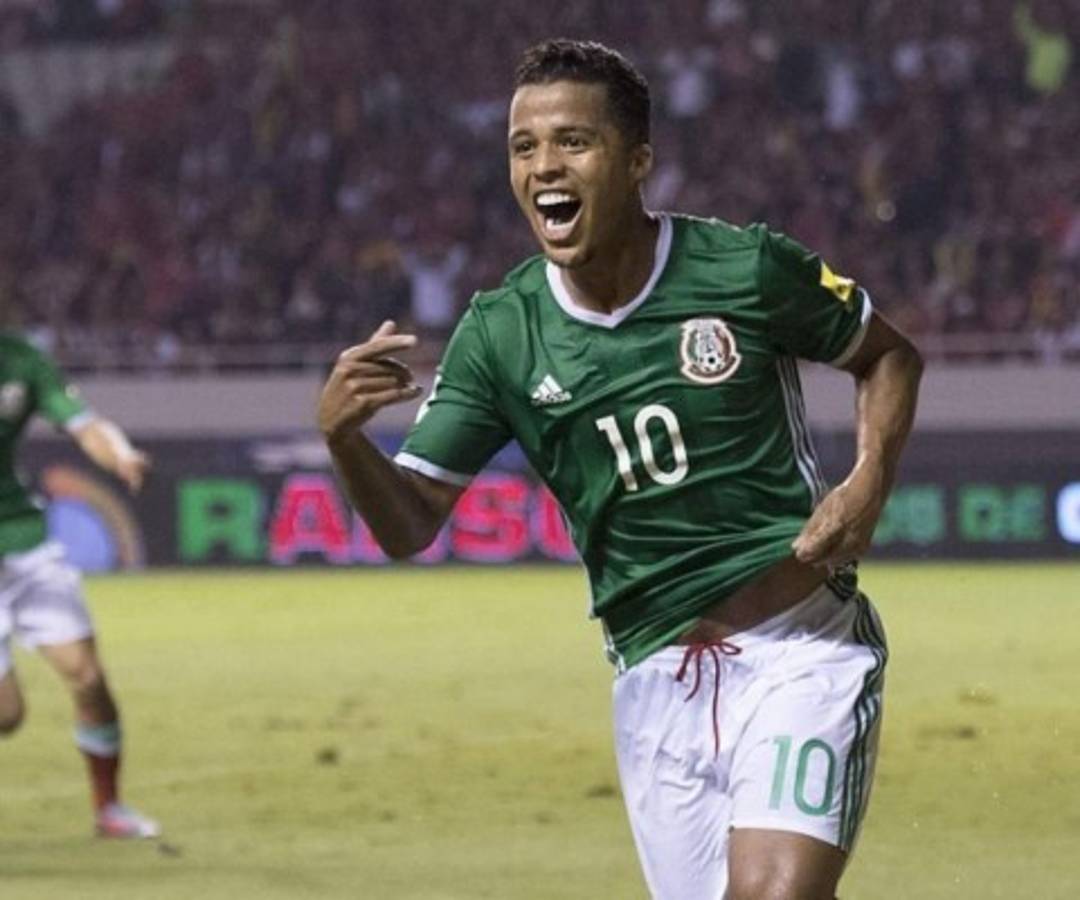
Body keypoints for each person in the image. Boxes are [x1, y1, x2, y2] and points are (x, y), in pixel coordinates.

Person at [318, 39, 922, 900]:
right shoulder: (501, 333)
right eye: (524, 147)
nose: (544, 166)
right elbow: (410, 522)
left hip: (801, 651)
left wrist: (868, 482)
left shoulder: (743, 268)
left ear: (637, 160)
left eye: (573, 141)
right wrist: (345, 440)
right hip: (655, 685)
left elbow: (889, 356)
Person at [0, 332, 160, 839]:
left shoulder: (22, 361)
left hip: (25, 543)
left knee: (87, 677)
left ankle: (108, 808)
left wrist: (121, 456)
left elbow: (85, 424)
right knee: (6, 715)